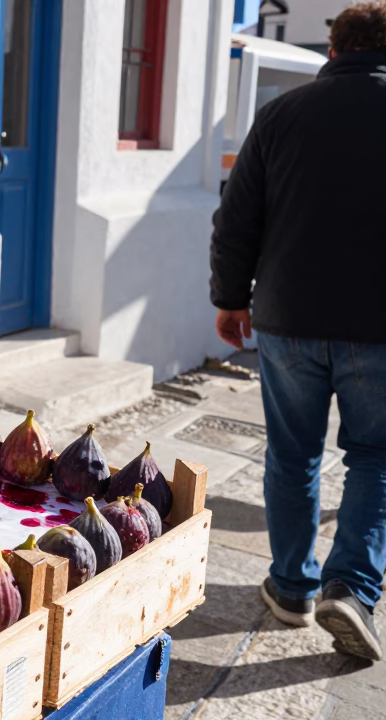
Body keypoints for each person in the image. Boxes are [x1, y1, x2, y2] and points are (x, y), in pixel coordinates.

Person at [211, 1, 386, 661]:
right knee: (376, 455)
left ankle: (291, 588)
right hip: (379, 326)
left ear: (333, 50)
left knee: (293, 454)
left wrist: (231, 299)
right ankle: (353, 588)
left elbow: (237, 217)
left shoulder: (282, 114)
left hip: (288, 317)